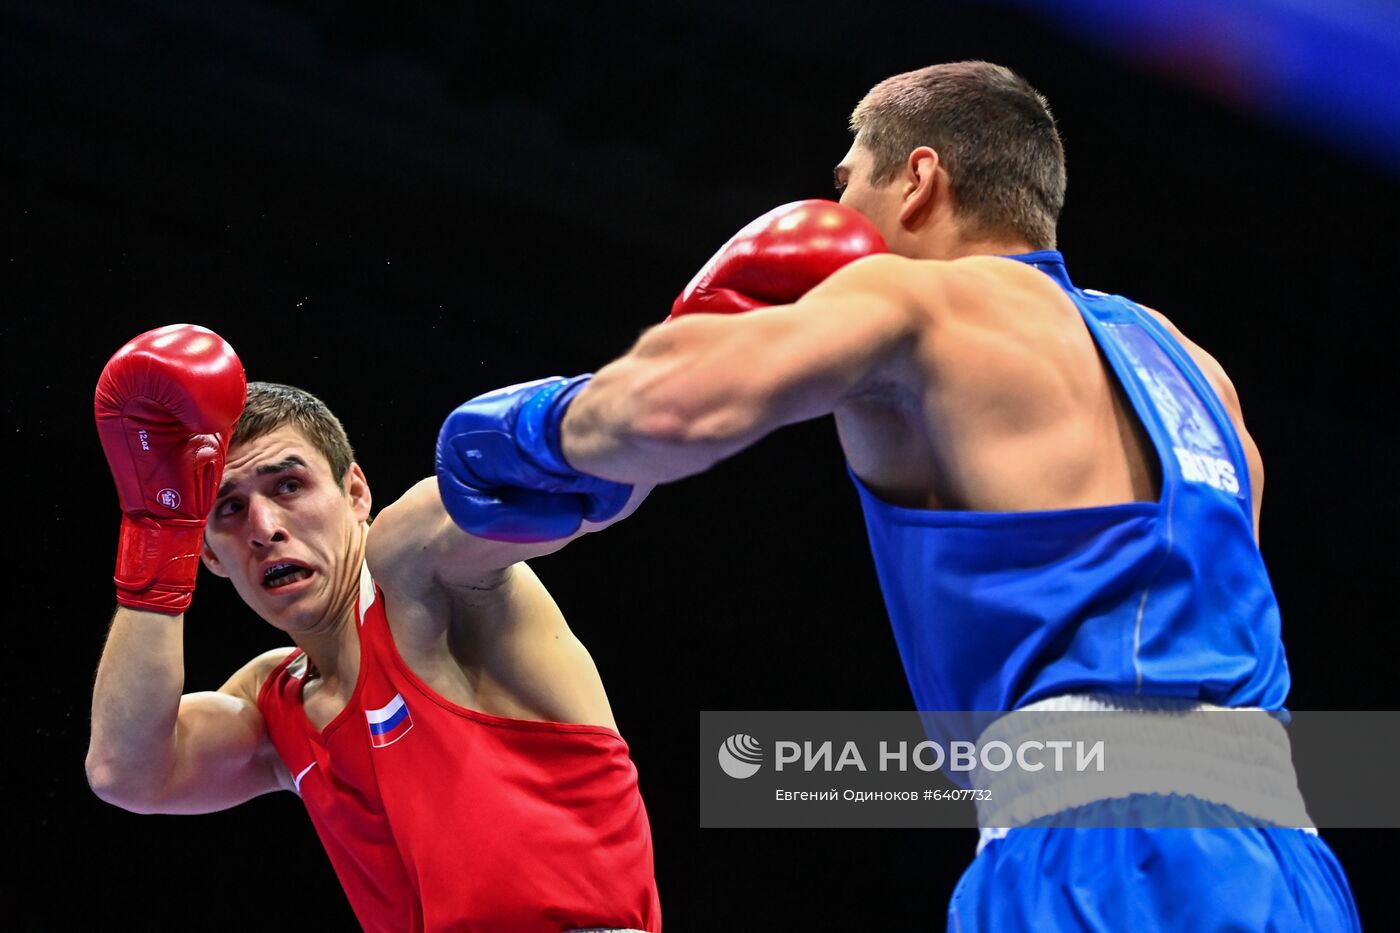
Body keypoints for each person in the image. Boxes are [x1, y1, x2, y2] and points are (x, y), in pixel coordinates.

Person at [438, 62, 1360, 930]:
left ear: (917, 178)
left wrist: (528, 430)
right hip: (1289, 853)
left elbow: (670, 410)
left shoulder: (918, 301)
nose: (842, 208)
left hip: (1097, 845)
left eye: (849, 181)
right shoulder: (1194, 367)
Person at [86, 324, 661, 933]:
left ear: (355, 492)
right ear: (208, 557)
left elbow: (533, 502)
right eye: (229, 508)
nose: (264, 527)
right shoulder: (273, 702)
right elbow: (126, 773)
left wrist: (631, 412)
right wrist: (159, 536)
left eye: (289, 485)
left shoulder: (418, 581)